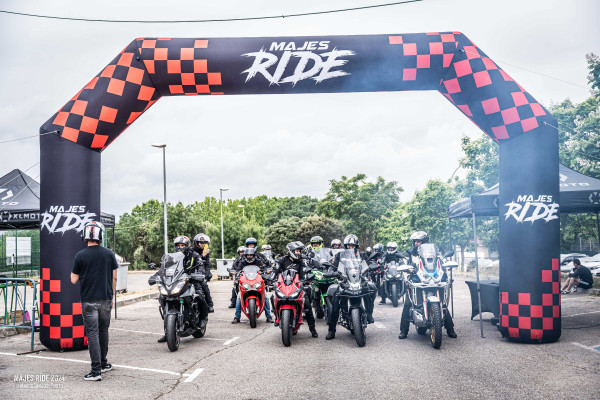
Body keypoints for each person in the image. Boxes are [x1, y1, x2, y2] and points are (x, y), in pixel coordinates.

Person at [71, 221, 118, 381]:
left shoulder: (80, 255)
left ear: (85, 236)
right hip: (106, 298)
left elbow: (73, 280)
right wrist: (111, 296)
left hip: (89, 300)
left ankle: (96, 371)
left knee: (92, 333)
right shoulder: (109, 254)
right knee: (103, 331)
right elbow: (114, 277)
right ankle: (103, 364)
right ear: (100, 236)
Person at [398, 231, 457, 340]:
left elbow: (441, 261)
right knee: (408, 304)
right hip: (417, 279)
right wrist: (406, 266)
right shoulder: (411, 253)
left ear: (425, 242)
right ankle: (403, 331)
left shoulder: (435, 253)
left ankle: (450, 329)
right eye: (415, 241)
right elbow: (403, 261)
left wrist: (445, 266)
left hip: (434, 279)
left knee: (443, 304)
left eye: (419, 241)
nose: (416, 243)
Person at [326, 234, 376, 340]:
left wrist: (371, 267)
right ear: (346, 246)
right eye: (349, 245)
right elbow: (333, 266)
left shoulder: (362, 255)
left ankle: (369, 313)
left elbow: (368, 265)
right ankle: (331, 330)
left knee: (372, 288)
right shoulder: (340, 255)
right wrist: (331, 272)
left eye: (353, 245)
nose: (351, 247)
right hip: (345, 281)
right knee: (335, 304)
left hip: (359, 280)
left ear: (356, 246)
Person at [157, 236, 205, 343]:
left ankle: (202, 319)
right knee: (162, 297)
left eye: (182, 245)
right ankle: (168, 332)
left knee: (200, 296)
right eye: (178, 245)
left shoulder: (194, 255)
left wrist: (199, 273)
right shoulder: (172, 257)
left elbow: (200, 265)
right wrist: (157, 275)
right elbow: (165, 268)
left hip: (191, 280)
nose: (180, 247)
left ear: (187, 245)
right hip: (177, 281)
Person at [273, 241, 318, 338]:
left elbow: (304, 273)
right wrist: (270, 277)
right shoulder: (282, 260)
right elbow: (275, 270)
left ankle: (312, 329)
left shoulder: (302, 261)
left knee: (307, 305)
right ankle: (276, 316)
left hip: (298, 286)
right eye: (297, 251)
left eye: (299, 251)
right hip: (284, 286)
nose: (298, 253)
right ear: (290, 251)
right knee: (273, 297)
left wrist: (307, 278)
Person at [232, 247, 273, 324]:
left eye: (251, 255)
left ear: (254, 255)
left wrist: (266, 272)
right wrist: (236, 274)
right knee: (239, 298)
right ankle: (237, 317)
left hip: (256, 282)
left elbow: (264, 268)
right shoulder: (243, 262)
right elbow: (238, 270)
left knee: (265, 297)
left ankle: (269, 316)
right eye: (248, 255)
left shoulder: (258, 261)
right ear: (245, 256)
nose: (249, 256)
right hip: (247, 282)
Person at [193, 233, 214, 313]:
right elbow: (194, 261)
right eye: (201, 243)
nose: (202, 245)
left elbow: (207, 265)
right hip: (192, 271)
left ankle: (210, 304)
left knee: (204, 285)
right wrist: (202, 255)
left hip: (201, 272)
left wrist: (206, 275)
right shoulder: (191, 251)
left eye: (204, 243)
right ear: (196, 243)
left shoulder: (206, 252)